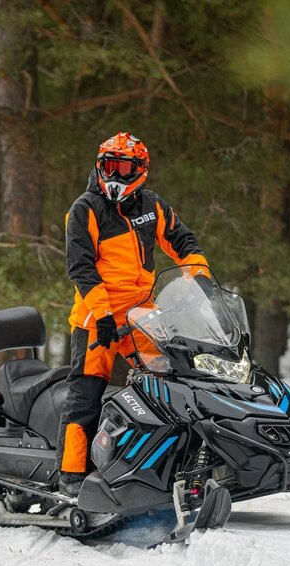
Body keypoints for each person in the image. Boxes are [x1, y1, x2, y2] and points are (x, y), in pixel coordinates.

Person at [57, 131, 212, 497]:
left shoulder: (152, 206)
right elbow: (80, 266)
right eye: (109, 167)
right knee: (85, 394)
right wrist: (104, 314)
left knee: (171, 382)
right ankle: (71, 474)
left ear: (140, 171)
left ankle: (173, 462)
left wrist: (200, 276)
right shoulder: (85, 209)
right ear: (99, 166)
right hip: (97, 320)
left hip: (142, 316)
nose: (115, 175)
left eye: (123, 168)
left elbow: (182, 241)